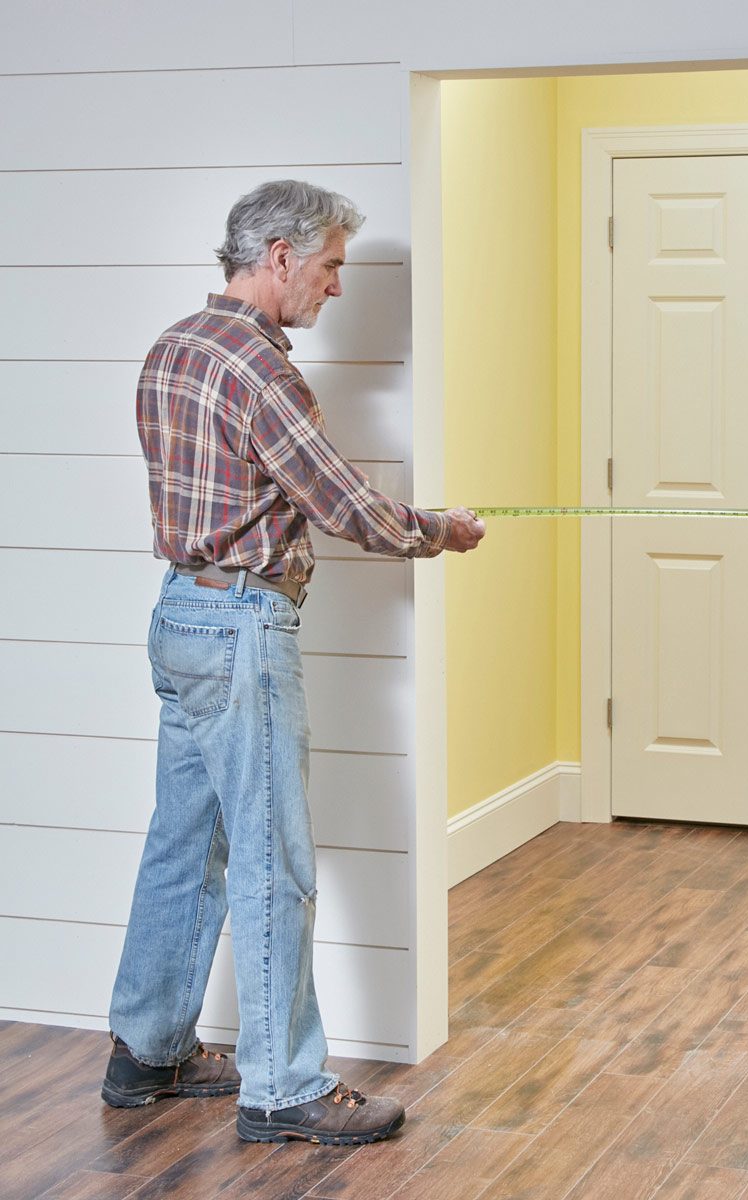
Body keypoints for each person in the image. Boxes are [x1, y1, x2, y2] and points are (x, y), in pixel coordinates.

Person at [101, 179, 485, 1145]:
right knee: (274, 857)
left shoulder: (173, 345)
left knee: (185, 844)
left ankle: (146, 1053)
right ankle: (283, 1088)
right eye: (329, 268)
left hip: (180, 617)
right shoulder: (258, 369)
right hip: (239, 629)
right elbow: (341, 500)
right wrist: (439, 530)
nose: (335, 289)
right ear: (278, 257)